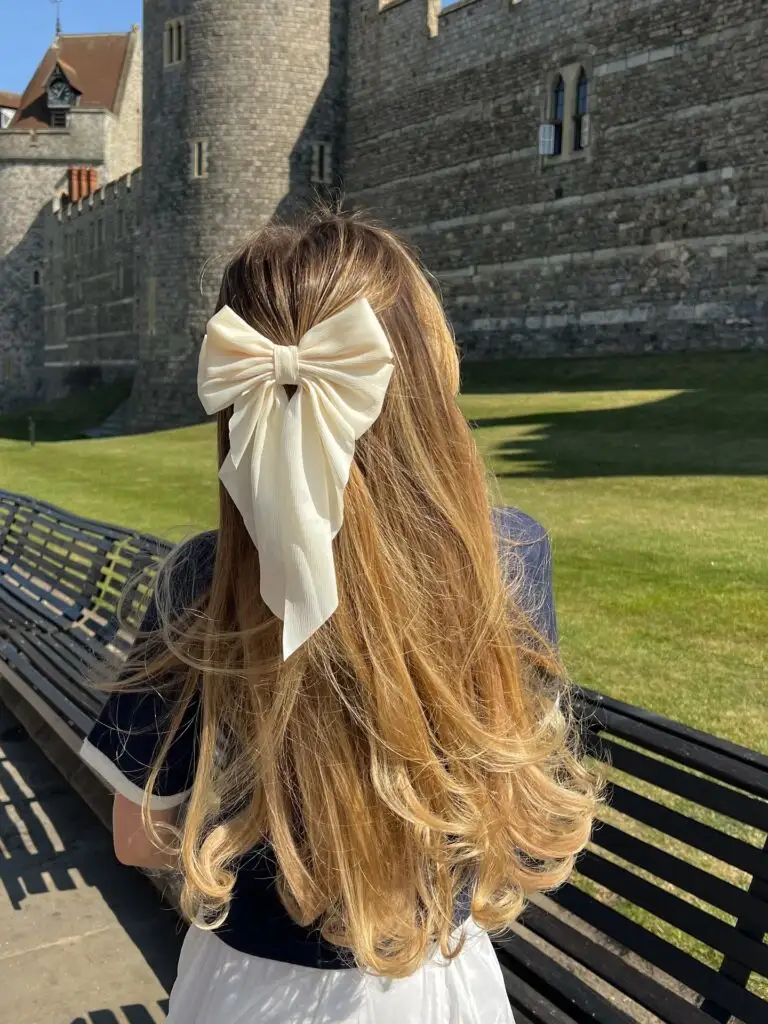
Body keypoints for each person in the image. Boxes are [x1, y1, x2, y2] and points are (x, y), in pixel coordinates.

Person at [79, 212, 597, 1023]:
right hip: (439, 986)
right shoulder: (509, 557)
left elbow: (139, 835)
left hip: (245, 991)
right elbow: (522, 816)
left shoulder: (203, 582)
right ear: (423, 373)